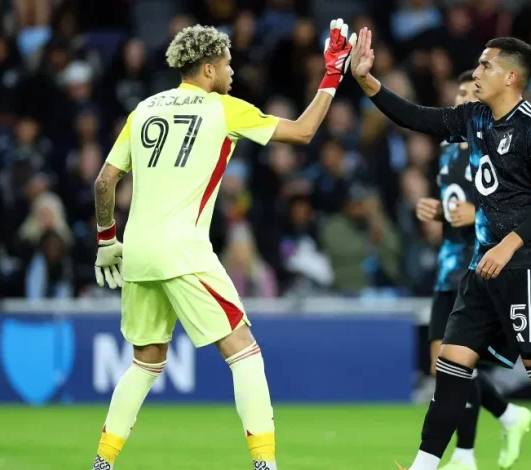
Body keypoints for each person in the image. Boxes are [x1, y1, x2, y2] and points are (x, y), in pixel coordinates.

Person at [90, 20, 355, 470]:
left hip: (136, 249)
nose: (233, 72)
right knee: (244, 351)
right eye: (228, 64)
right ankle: (265, 465)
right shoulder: (223, 108)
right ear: (209, 68)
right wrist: (332, 75)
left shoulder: (144, 109)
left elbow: (104, 181)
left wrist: (105, 240)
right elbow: (304, 132)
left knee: (146, 362)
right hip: (183, 249)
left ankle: (102, 462)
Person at [349, 29, 531, 470]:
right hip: (483, 264)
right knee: (451, 365)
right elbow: (419, 118)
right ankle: (425, 465)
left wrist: (510, 244)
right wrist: (369, 82)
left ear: (512, 77)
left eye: (486, 66)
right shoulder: (476, 118)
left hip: (525, 263)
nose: (477, 72)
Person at [415, 69, 531, 470]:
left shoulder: (494, 147)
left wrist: (477, 211)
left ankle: (465, 453)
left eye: (470, 93)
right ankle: (507, 416)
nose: (463, 100)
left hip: (479, 267)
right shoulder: (449, 153)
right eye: (458, 93)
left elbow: (519, 201)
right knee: (442, 365)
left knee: (453, 364)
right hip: (448, 267)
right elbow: (454, 208)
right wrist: (435, 211)